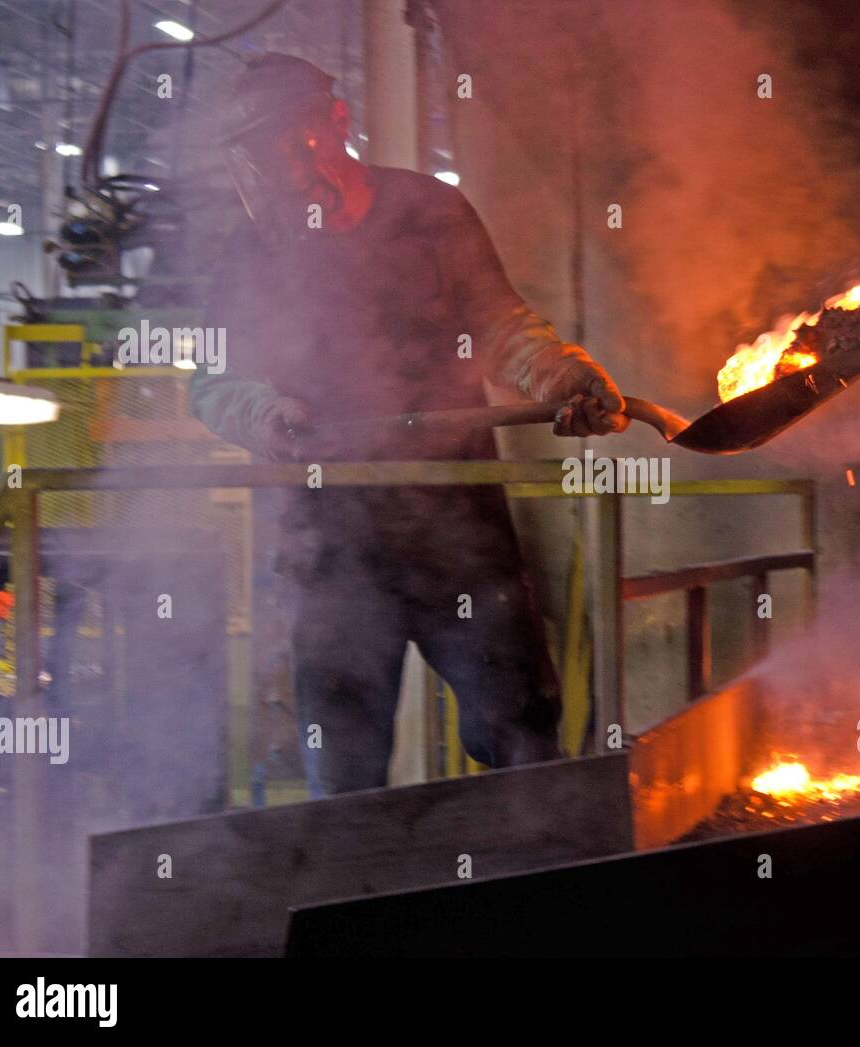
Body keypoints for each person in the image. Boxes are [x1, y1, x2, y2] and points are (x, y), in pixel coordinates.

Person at [191, 53, 626, 794]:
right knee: (345, 770)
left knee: (521, 735)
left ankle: (533, 885)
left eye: (290, 144)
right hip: (328, 544)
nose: (281, 172)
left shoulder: (428, 211)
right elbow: (209, 381)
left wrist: (558, 375)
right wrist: (262, 414)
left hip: (456, 525)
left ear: (336, 123)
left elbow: (499, 326)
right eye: (260, 154)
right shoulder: (253, 252)